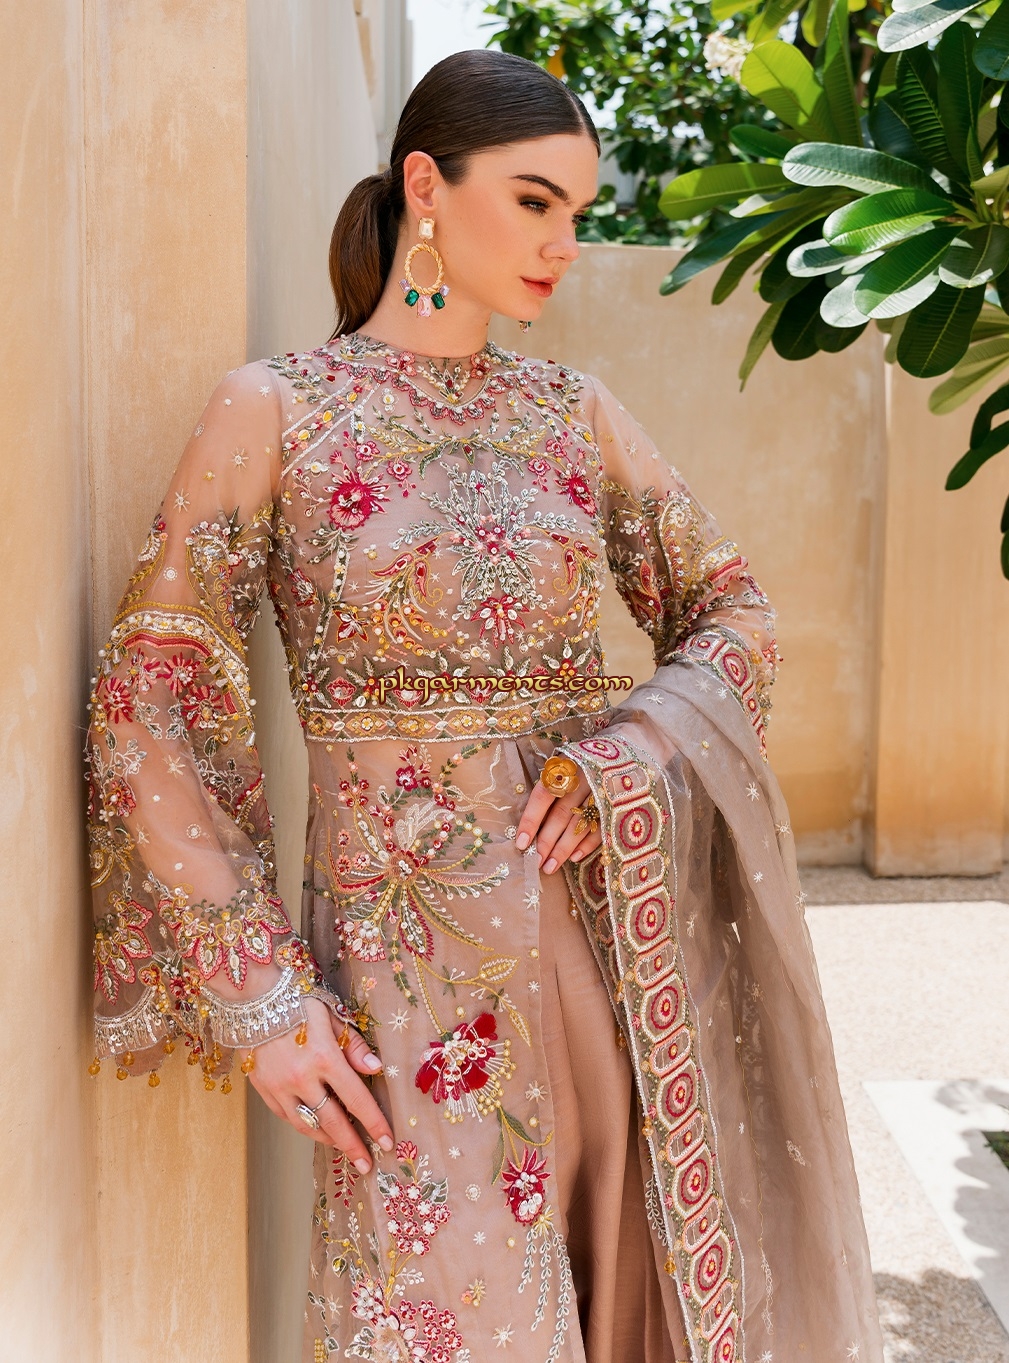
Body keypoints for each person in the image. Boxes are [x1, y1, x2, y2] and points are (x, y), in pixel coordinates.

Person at [85, 47, 883, 1363]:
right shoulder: (276, 411)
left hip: (610, 948)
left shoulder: (575, 415)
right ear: (425, 186)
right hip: (405, 995)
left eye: (577, 212)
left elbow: (732, 612)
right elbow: (150, 696)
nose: (563, 242)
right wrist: (262, 994)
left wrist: (629, 755)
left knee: (632, 1301)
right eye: (532, 201)